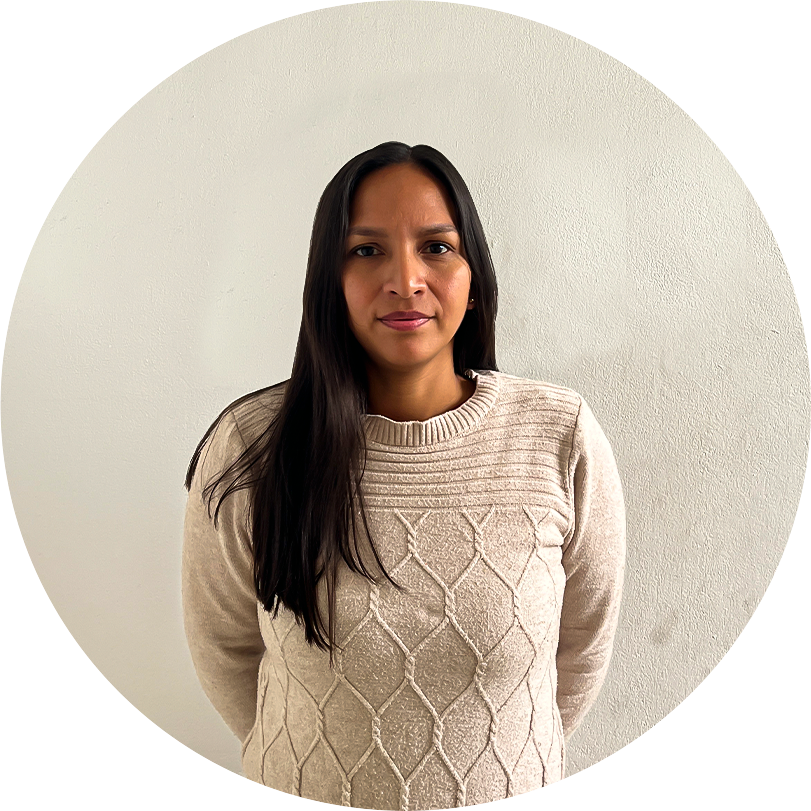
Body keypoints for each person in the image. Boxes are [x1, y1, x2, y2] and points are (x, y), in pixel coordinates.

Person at [182, 141, 626, 808]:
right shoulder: (253, 446)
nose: (405, 279)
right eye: (366, 250)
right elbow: (225, 650)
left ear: (474, 280)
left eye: (437, 247)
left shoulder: (558, 435)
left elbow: (582, 646)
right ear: (329, 281)